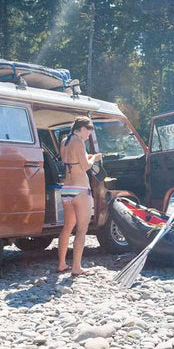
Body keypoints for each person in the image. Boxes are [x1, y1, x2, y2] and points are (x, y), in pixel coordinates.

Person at [56, 116, 102, 276]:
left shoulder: (65, 141)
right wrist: (94, 158)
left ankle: (62, 264)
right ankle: (76, 267)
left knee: (67, 228)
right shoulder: (79, 142)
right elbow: (85, 166)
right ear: (83, 128)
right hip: (80, 189)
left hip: (66, 189)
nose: (88, 136)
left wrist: (88, 157)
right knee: (82, 229)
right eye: (88, 132)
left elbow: (73, 162)